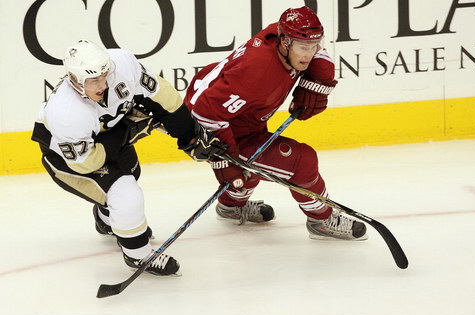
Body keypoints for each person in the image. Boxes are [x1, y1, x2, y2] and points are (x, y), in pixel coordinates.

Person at [31, 40, 225, 275]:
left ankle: (107, 220)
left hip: (106, 134)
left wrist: (189, 137)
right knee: (125, 193)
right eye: (93, 80)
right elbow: (87, 163)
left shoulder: (122, 64)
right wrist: (127, 132)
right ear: (75, 79)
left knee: (132, 171)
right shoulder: (66, 113)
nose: (103, 84)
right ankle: (138, 255)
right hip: (66, 159)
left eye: (104, 75)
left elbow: (163, 96)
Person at [184, 6, 368, 240]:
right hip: (212, 130)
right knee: (302, 161)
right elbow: (205, 113)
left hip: (245, 123)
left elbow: (318, 55)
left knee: (260, 161)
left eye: (313, 46)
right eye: (303, 48)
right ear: (285, 42)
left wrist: (318, 81)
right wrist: (224, 158)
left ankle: (231, 206)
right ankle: (322, 220)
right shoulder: (257, 71)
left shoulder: (281, 37)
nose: (308, 54)